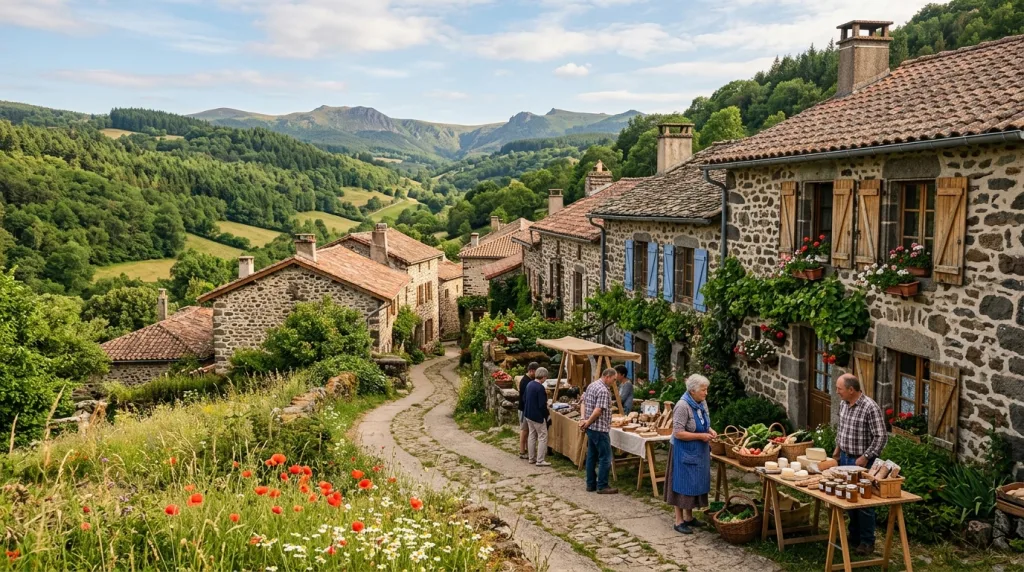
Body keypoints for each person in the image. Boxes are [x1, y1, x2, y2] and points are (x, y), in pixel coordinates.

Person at [833, 373, 888, 556]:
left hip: (862, 461)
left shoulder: (869, 407)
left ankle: (867, 541)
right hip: (845, 459)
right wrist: (837, 449)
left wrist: (865, 457)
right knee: (850, 499)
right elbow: (843, 428)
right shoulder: (844, 403)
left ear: (851, 389)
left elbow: (881, 437)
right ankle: (854, 536)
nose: (837, 392)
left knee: (864, 504)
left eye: (839, 389)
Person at [665, 374, 717, 534]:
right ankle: (678, 520)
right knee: (682, 484)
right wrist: (701, 436)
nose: (706, 393)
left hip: (698, 451)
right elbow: (678, 433)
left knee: (694, 483)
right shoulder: (682, 406)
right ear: (693, 391)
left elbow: (704, 423)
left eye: (706, 389)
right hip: (683, 451)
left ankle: (689, 517)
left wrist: (710, 430)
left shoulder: (701, 403)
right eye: (703, 390)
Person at [578, 368, 617, 494]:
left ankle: (591, 484)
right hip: (599, 428)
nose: (614, 382)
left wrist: (583, 419)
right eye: (614, 379)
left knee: (591, 456)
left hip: (591, 428)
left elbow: (582, 401)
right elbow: (598, 410)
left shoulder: (592, 385)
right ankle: (602, 485)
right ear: (607, 377)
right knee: (605, 457)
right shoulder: (603, 390)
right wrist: (587, 422)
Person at [523, 367, 551, 466]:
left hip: (528, 414)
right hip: (537, 416)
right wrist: (546, 415)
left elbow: (524, 398)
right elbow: (542, 405)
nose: (545, 379)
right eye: (545, 378)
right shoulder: (540, 388)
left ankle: (531, 458)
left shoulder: (529, 384)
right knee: (543, 437)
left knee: (532, 435)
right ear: (543, 377)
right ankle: (540, 460)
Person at [518, 362, 540, 460]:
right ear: (531, 371)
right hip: (523, 409)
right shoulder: (525, 382)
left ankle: (527, 450)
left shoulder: (528, 380)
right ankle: (522, 451)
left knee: (527, 431)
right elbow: (525, 398)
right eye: (536, 372)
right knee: (524, 431)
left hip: (526, 409)